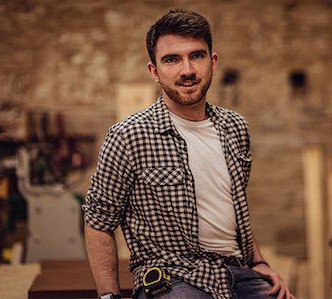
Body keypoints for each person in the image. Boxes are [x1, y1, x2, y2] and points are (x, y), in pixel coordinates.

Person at [83, 8, 295, 299]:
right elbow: (98, 222)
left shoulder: (235, 127)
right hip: (173, 277)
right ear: (154, 71)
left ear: (213, 62)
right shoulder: (128, 136)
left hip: (238, 273)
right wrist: (108, 297)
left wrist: (258, 261)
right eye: (172, 59)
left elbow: (231, 207)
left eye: (197, 55)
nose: (187, 70)